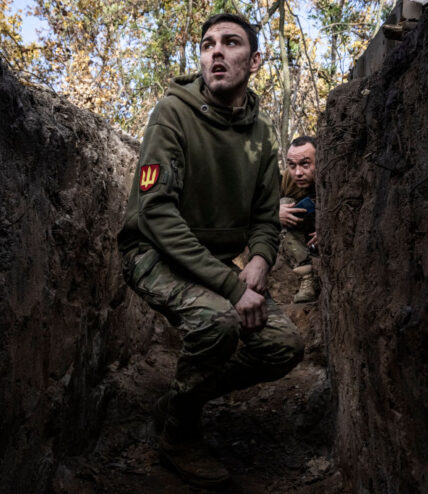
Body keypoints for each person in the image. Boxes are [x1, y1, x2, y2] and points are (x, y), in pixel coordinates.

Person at [117, 13, 304, 488]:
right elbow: (156, 213)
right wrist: (229, 285)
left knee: (284, 345)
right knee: (218, 323)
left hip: (212, 262)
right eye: (207, 45)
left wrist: (261, 257)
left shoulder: (262, 135)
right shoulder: (171, 113)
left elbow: (266, 216)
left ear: (255, 60)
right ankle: (178, 437)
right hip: (153, 253)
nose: (215, 52)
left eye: (230, 43)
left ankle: (182, 399)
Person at [279, 136, 318, 303]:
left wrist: (330, 229)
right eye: (292, 165)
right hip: (302, 231)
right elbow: (258, 207)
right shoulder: (287, 178)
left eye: (305, 164)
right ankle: (306, 275)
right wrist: (275, 212)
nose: (298, 173)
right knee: (283, 204)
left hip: (325, 231)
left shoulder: (334, 175)